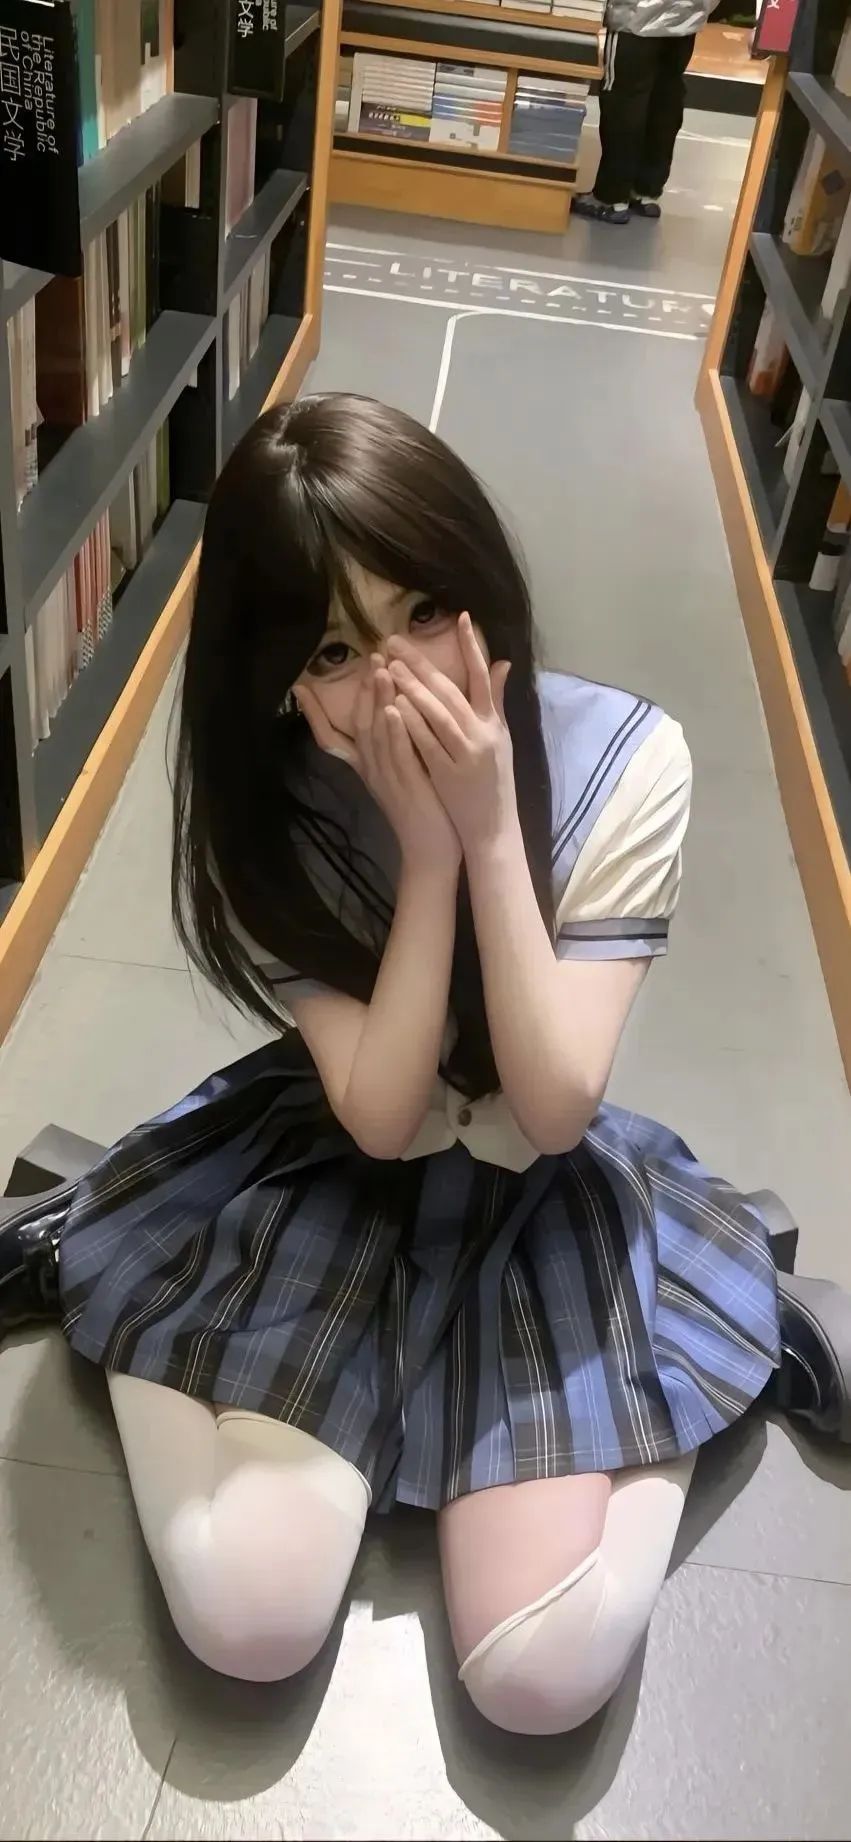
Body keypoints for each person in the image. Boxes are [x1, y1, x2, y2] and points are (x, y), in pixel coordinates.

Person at [1, 395, 848, 1735]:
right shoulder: (266, 804)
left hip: (539, 1183)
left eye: (425, 608)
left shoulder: (626, 761)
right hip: (334, 1156)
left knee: (535, 1679)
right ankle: (121, 1271)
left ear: (480, 585)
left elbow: (553, 1106)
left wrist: (489, 831)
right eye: (335, 648)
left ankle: (714, 1336)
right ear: (280, 679)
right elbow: (384, 1118)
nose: (399, 677)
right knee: (248, 1621)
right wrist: (430, 859)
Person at [573, 0, 717, 225]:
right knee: (665, 98)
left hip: (636, 15)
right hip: (687, 15)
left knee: (623, 101)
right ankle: (646, 191)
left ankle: (611, 196)